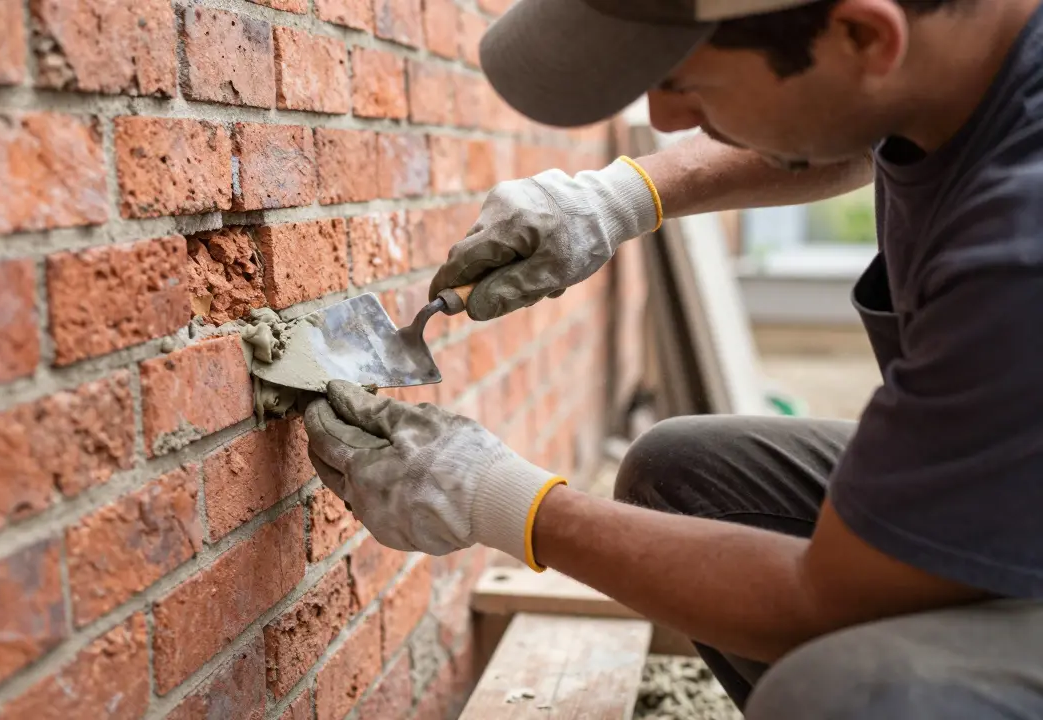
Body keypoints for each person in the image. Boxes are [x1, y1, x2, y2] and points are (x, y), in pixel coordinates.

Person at [302, 0, 1043, 716]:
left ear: (862, 35)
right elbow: (854, 126)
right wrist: (623, 197)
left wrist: (494, 498)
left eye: (686, 82)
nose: (661, 118)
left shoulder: (1021, 245)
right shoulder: (959, 58)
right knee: (685, 477)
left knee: (842, 696)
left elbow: (819, 600)